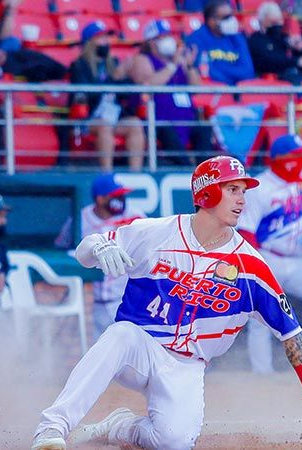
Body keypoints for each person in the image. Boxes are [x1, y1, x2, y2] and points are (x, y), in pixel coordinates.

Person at [30, 156, 302, 450]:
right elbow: (88, 248)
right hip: (142, 348)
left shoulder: (251, 266)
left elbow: (290, 332)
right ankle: (52, 428)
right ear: (207, 193)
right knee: (121, 334)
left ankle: (119, 428)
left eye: (243, 191)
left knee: (174, 440)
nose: (242, 199)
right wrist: (97, 249)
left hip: (188, 365)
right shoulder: (155, 232)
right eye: (233, 189)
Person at [237, 135, 302, 374]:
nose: (300, 160)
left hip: (299, 259)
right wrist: (255, 267)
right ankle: (262, 371)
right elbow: (246, 232)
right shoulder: (258, 187)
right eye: (294, 156)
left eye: (301, 154)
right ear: (280, 159)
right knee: (261, 314)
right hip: (268, 256)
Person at [127, 19, 212, 167]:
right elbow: (148, 84)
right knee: (166, 130)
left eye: (170, 35)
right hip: (159, 120)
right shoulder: (143, 60)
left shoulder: (180, 61)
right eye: (163, 36)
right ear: (152, 42)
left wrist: (190, 65)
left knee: (204, 129)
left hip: (186, 118)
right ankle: (187, 169)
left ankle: (204, 171)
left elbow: (197, 87)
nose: (169, 40)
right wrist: (172, 65)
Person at [70, 20, 145, 171]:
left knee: (135, 124)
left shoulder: (114, 63)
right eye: (100, 38)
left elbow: (126, 90)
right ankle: (107, 173)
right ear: (90, 42)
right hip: (90, 119)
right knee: (104, 126)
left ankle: (136, 174)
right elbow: (86, 94)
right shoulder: (79, 66)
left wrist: (128, 77)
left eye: (107, 37)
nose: (105, 42)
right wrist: (114, 79)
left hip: (114, 116)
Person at [81, 174, 145, 339]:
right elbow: (65, 245)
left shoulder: (136, 217)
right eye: (116, 196)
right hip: (96, 302)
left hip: (126, 300)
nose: (122, 199)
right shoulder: (82, 218)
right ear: (100, 199)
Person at [185, 0, 255, 85]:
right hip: (211, 91)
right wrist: (233, 76)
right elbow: (205, 72)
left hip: (236, 89)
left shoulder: (237, 37)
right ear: (211, 21)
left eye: (231, 16)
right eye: (226, 18)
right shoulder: (196, 39)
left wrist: (221, 71)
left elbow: (248, 71)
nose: (231, 20)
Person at [248, 1, 302, 85]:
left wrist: (300, 50)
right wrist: (296, 62)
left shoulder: (283, 38)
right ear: (263, 21)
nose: (278, 25)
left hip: (291, 79)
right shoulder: (256, 39)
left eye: (280, 21)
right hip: (270, 82)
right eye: (274, 22)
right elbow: (269, 62)